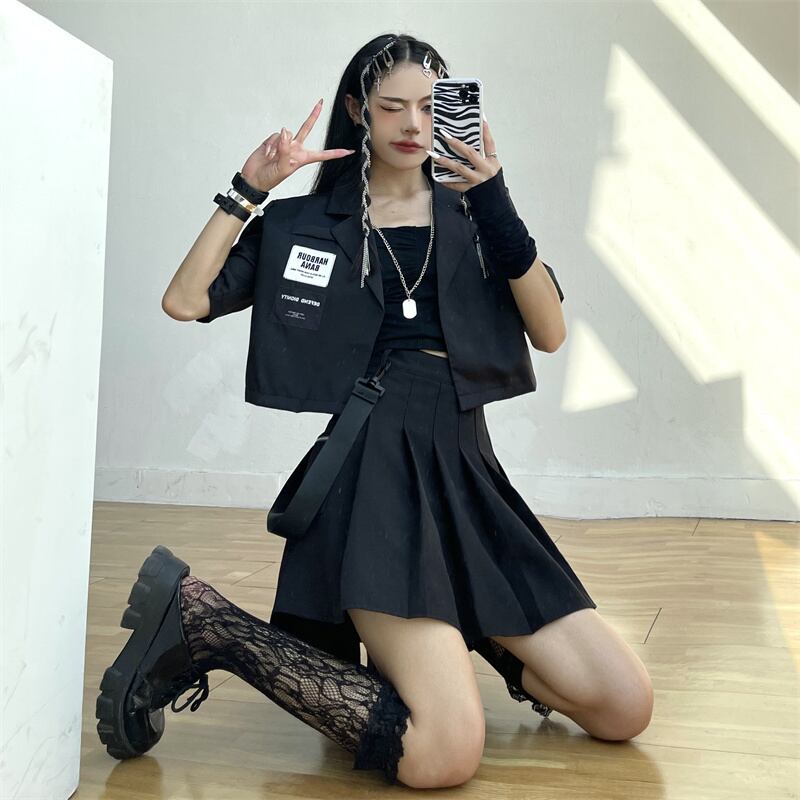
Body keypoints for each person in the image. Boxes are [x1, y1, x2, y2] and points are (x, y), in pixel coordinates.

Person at [96, 33, 654, 790]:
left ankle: (460, 633)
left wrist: (494, 199)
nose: (413, 124)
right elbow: (184, 299)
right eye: (392, 106)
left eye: (429, 106)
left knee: (624, 705)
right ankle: (205, 624)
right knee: (445, 755)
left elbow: (550, 333)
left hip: (466, 476)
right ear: (359, 111)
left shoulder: (478, 217)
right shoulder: (305, 224)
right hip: (373, 482)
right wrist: (248, 189)